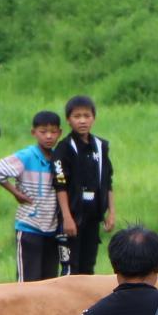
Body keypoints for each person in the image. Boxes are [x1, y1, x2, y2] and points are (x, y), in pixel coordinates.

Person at [0, 110, 66, 282]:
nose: (48, 136)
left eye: (53, 132)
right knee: (28, 281)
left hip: (51, 228)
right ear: (34, 132)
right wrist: (16, 193)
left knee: (49, 281)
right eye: (43, 132)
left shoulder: (57, 158)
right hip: (29, 226)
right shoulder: (27, 156)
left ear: (60, 133)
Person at [55, 95, 116, 275]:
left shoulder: (101, 146)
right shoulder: (64, 148)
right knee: (70, 268)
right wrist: (67, 217)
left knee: (88, 268)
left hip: (93, 217)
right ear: (68, 120)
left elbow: (108, 181)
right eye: (77, 116)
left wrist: (111, 212)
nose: (82, 121)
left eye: (86, 116)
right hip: (73, 217)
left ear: (93, 118)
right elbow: (60, 185)